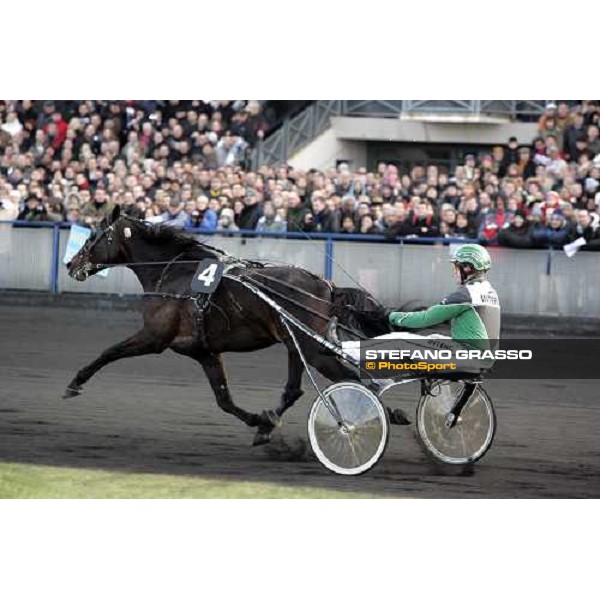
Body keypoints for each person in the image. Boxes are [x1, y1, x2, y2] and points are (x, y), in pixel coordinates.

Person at [327, 243, 500, 365]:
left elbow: (425, 319)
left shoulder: (465, 294)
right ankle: (382, 378)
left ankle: (341, 348)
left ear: (468, 268)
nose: (454, 271)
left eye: (456, 267)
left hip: (467, 357)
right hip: (483, 357)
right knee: (432, 339)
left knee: (399, 339)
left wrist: (389, 315)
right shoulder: (489, 291)